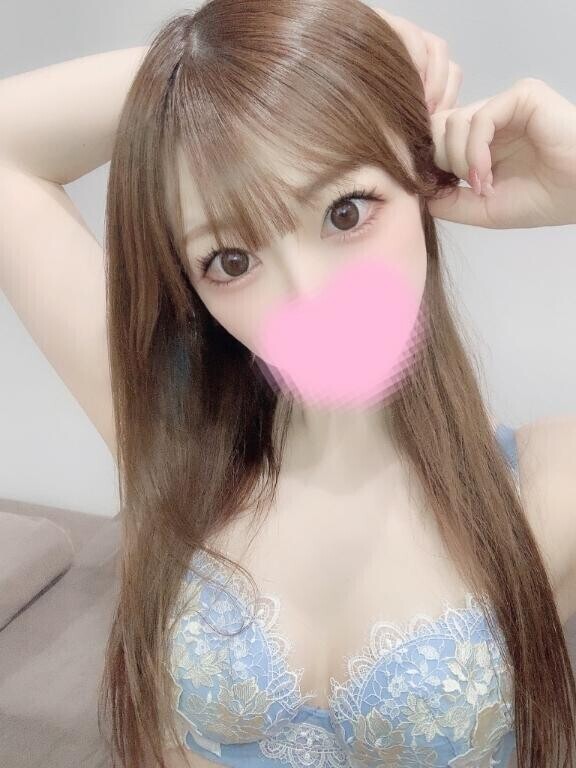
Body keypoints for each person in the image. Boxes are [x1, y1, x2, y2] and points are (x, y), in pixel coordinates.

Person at [1, 1, 575, 767]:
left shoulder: (548, 485)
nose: (308, 297)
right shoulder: (170, 433)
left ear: (421, 181)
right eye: (231, 260)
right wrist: (216, 65)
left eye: (345, 211)